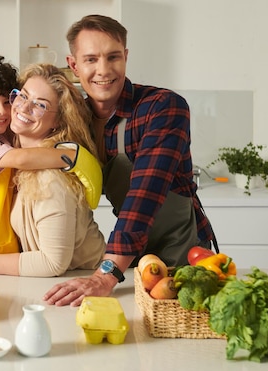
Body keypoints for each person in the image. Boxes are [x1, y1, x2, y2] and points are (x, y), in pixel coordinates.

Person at [41, 14, 217, 306]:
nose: (103, 70)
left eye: (113, 57)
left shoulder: (162, 107)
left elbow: (144, 194)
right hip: (131, 259)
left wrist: (106, 274)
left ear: (125, 56)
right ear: (73, 65)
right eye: (91, 59)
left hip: (183, 255)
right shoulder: (76, 121)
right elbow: (22, 142)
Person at [0, 63, 106, 276]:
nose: (23, 108)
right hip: (38, 281)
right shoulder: (0, 145)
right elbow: (18, 159)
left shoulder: (50, 178)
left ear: (57, 120)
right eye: (23, 96)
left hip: (80, 282)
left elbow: (53, 263)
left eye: (41, 105)